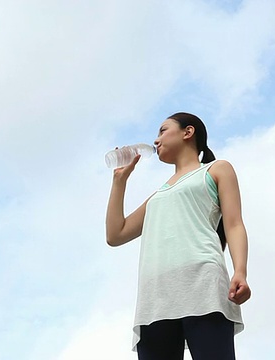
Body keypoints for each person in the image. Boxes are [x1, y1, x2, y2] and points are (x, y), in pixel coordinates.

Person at [105, 112, 251, 360]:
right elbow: (115, 234)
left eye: (162, 131)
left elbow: (234, 224)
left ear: (188, 132)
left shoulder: (216, 170)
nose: (156, 140)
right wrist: (119, 180)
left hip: (202, 283)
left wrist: (240, 271)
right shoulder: (159, 195)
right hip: (155, 297)